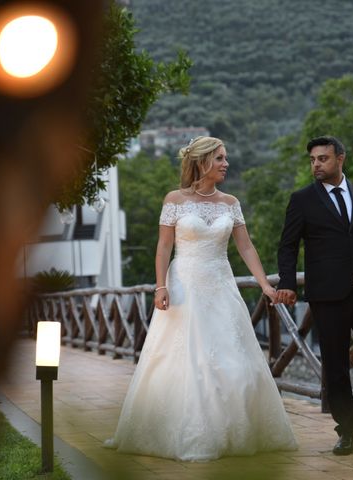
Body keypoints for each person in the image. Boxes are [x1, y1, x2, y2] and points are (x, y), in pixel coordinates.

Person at [104, 136, 297, 461]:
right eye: (220, 158)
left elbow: (245, 246)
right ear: (203, 161)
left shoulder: (230, 202)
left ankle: (236, 432)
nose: (226, 164)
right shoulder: (175, 199)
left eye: (225, 158)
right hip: (184, 286)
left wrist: (265, 284)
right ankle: (187, 434)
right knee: (186, 360)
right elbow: (164, 246)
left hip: (221, 285)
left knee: (233, 360)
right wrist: (160, 286)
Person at [276, 135, 353, 456]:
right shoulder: (302, 200)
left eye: (323, 159)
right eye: (313, 160)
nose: (316, 164)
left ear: (340, 159)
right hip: (327, 295)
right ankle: (348, 429)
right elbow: (288, 246)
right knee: (335, 366)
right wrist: (287, 282)